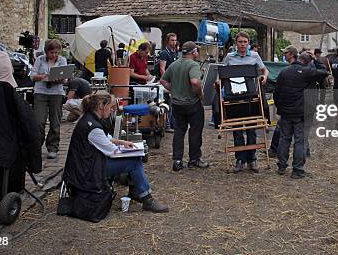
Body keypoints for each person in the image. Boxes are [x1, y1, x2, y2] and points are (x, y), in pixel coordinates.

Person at [62, 92, 168, 221]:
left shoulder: (90, 119)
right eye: (111, 107)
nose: (113, 110)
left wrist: (121, 142)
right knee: (134, 161)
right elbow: (111, 152)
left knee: (135, 158)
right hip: (87, 170)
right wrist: (131, 151)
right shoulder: (92, 126)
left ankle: (137, 191)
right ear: (101, 106)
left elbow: (105, 139)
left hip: (86, 164)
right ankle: (147, 199)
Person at [274, 52, 328, 179]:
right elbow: (324, 71)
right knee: (300, 141)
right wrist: (316, 59)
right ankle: (297, 170)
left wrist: (280, 107)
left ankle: (281, 166)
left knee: (284, 138)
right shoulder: (307, 72)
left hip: (286, 112)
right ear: (308, 62)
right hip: (301, 112)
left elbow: (276, 92)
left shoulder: (284, 72)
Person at [223, 31, 269, 173]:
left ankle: (252, 159)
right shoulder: (230, 57)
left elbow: (264, 70)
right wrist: (217, 82)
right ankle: (239, 159)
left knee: (251, 129)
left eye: (245, 42)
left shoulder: (255, 56)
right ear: (236, 43)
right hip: (234, 98)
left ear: (248, 43)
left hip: (251, 97)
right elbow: (222, 74)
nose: (242, 44)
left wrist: (264, 77)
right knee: (237, 130)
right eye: (240, 42)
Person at [160, 41, 209, 172]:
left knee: (179, 131)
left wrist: (173, 90)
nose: (197, 53)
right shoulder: (193, 65)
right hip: (192, 103)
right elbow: (195, 81)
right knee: (195, 131)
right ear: (193, 52)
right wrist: (200, 93)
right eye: (197, 51)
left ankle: (177, 161)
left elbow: (163, 80)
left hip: (177, 104)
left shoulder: (174, 64)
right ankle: (194, 160)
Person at [30, 39, 67, 159]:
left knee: (55, 121)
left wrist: (60, 78)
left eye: (57, 52)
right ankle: (37, 145)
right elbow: (32, 76)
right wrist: (44, 77)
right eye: (52, 53)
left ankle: (52, 147)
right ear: (47, 52)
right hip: (41, 92)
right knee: (39, 121)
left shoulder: (62, 60)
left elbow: (65, 77)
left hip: (56, 92)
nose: (54, 55)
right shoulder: (40, 60)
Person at [158, 33, 179, 132]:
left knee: (174, 104)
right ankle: (167, 125)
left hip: (174, 81)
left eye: (175, 40)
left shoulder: (175, 52)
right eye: (172, 40)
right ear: (167, 41)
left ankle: (173, 124)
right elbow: (162, 69)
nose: (174, 42)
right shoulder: (164, 53)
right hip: (167, 82)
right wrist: (167, 82)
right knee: (167, 104)